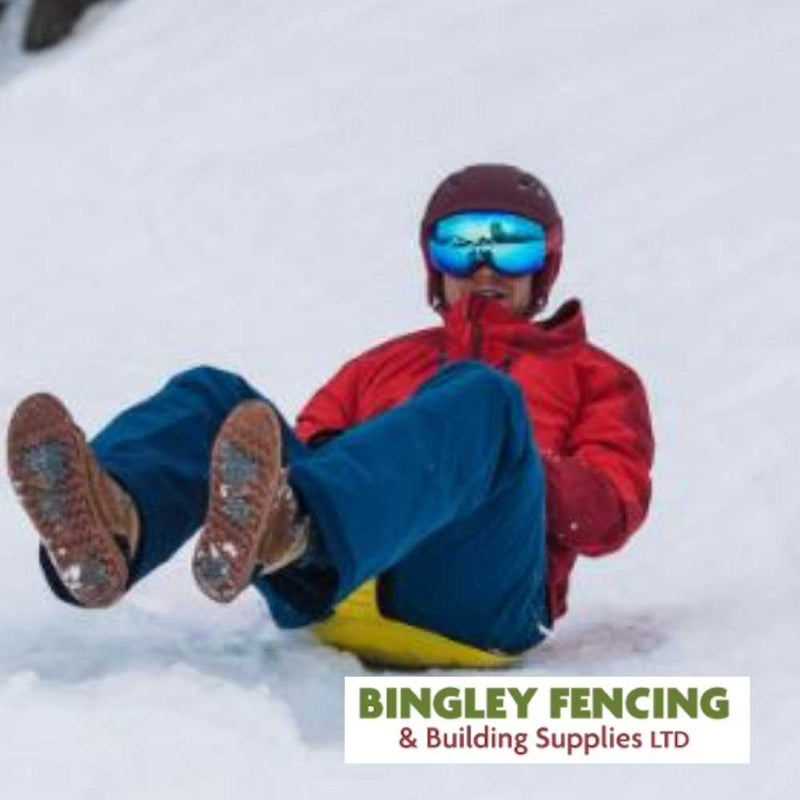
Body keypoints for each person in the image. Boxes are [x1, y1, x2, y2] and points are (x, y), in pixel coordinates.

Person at [7, 164, 654, 667]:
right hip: (329, 590)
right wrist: (382, 465)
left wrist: (491, 460)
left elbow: (611, 511)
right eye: (462, 247)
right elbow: (299, 446)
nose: (484, 267)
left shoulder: (598, 377)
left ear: (546, 264)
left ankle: (303, 531)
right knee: (217, 396)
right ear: (435, 262)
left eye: (511, 247)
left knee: (484, 401)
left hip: (473, 603)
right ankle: (113, 530)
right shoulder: (382, 364)